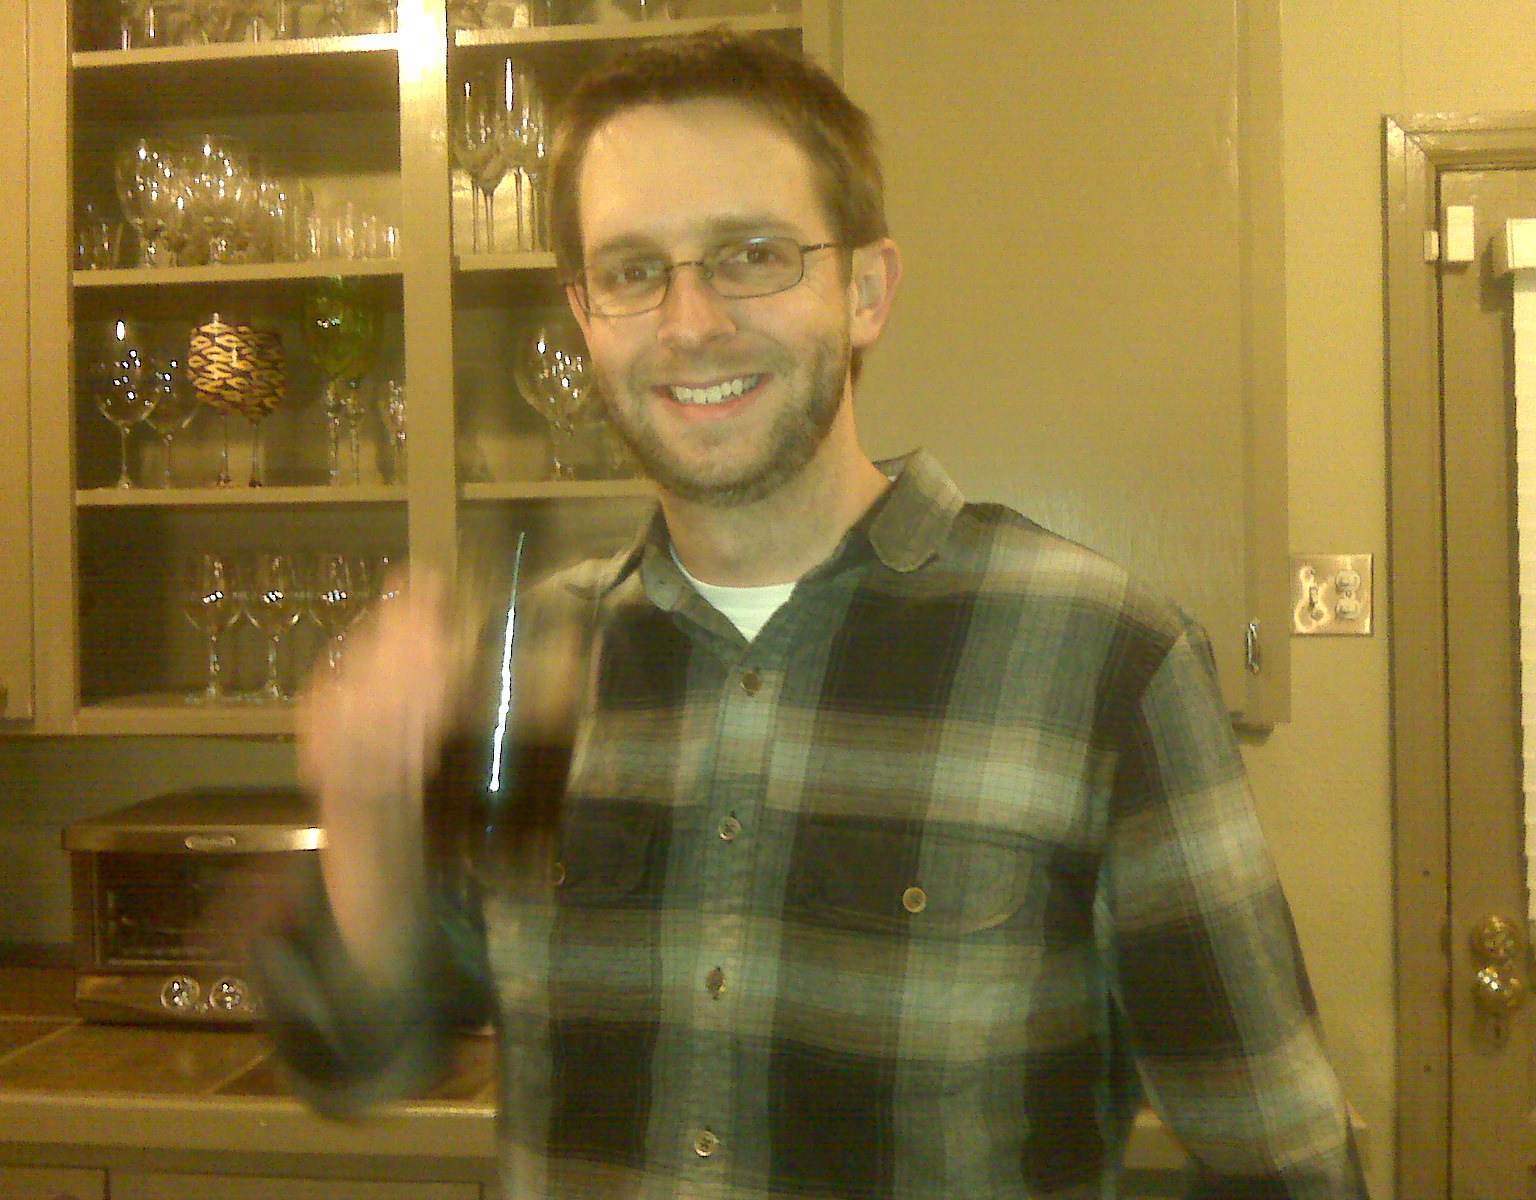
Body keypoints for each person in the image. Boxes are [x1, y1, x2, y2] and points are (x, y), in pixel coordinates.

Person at [254, 29, 1370, 1200]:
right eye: (632, 270)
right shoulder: (523, 657)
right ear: (584, 314)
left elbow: (1285, 1164)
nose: (690, 322)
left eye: (751, 256)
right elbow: (363, 1060)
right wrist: (365, 814)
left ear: (865, 292)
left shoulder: (1104, 660)